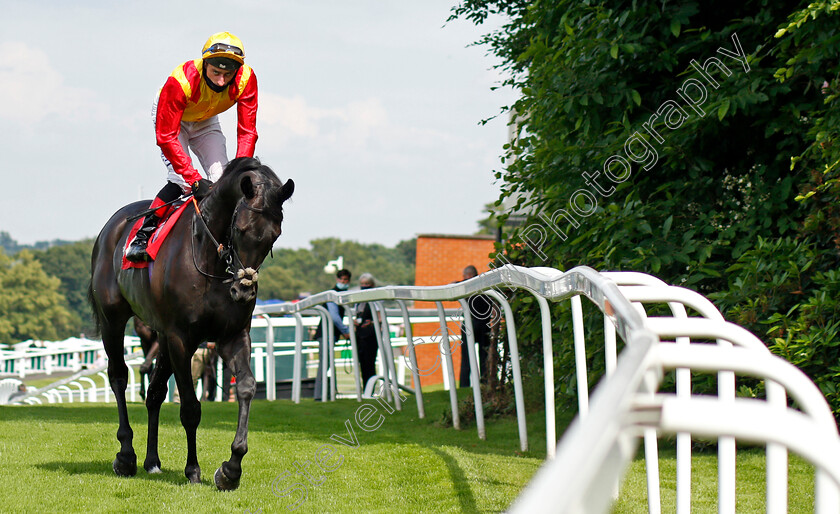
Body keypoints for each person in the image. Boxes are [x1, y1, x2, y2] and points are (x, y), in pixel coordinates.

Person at [126, 31, 258, 262]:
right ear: (205, 64)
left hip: (206, 121)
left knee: (224, 180)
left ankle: (224, 240)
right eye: (216, 72)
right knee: (181, 181)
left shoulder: (246, 78)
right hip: (172, 121)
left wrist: (239, 171)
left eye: (227, 74)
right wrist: (193, 178)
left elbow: (247, 132)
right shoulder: (181, 81)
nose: (221, 81)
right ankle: (142, 235)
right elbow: (166, 137)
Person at [313, 269, 352, 401]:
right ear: (337, 279)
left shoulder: (340, 294)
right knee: (324, 365)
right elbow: (335, 317)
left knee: (327, 364)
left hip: (330, 333)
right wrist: (346, 331)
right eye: (341, 279)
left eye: (345, 280)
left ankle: (329, 393)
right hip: (325, 333)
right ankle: (319, 395)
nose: (343, 282)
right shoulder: (333, 294)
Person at [459, 265, 495, 388]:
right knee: (484, 356)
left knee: (466, 358)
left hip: (470, 324)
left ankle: (464, 385)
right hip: (484, 324)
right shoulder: (484, 286)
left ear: (467, 276)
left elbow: (453, 285)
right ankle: (485, 382)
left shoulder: (463, 286)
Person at [354, 273, 380, 392]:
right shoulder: (358, 301)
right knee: (362, 363)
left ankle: (370, 390)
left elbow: (379, 319)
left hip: (370, 336)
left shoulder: (375, 300)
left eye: (367, 284)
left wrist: (371, 323)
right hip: (360, 336)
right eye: (362, 284)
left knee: (370, 363)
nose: (364, 286)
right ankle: (365, 389)